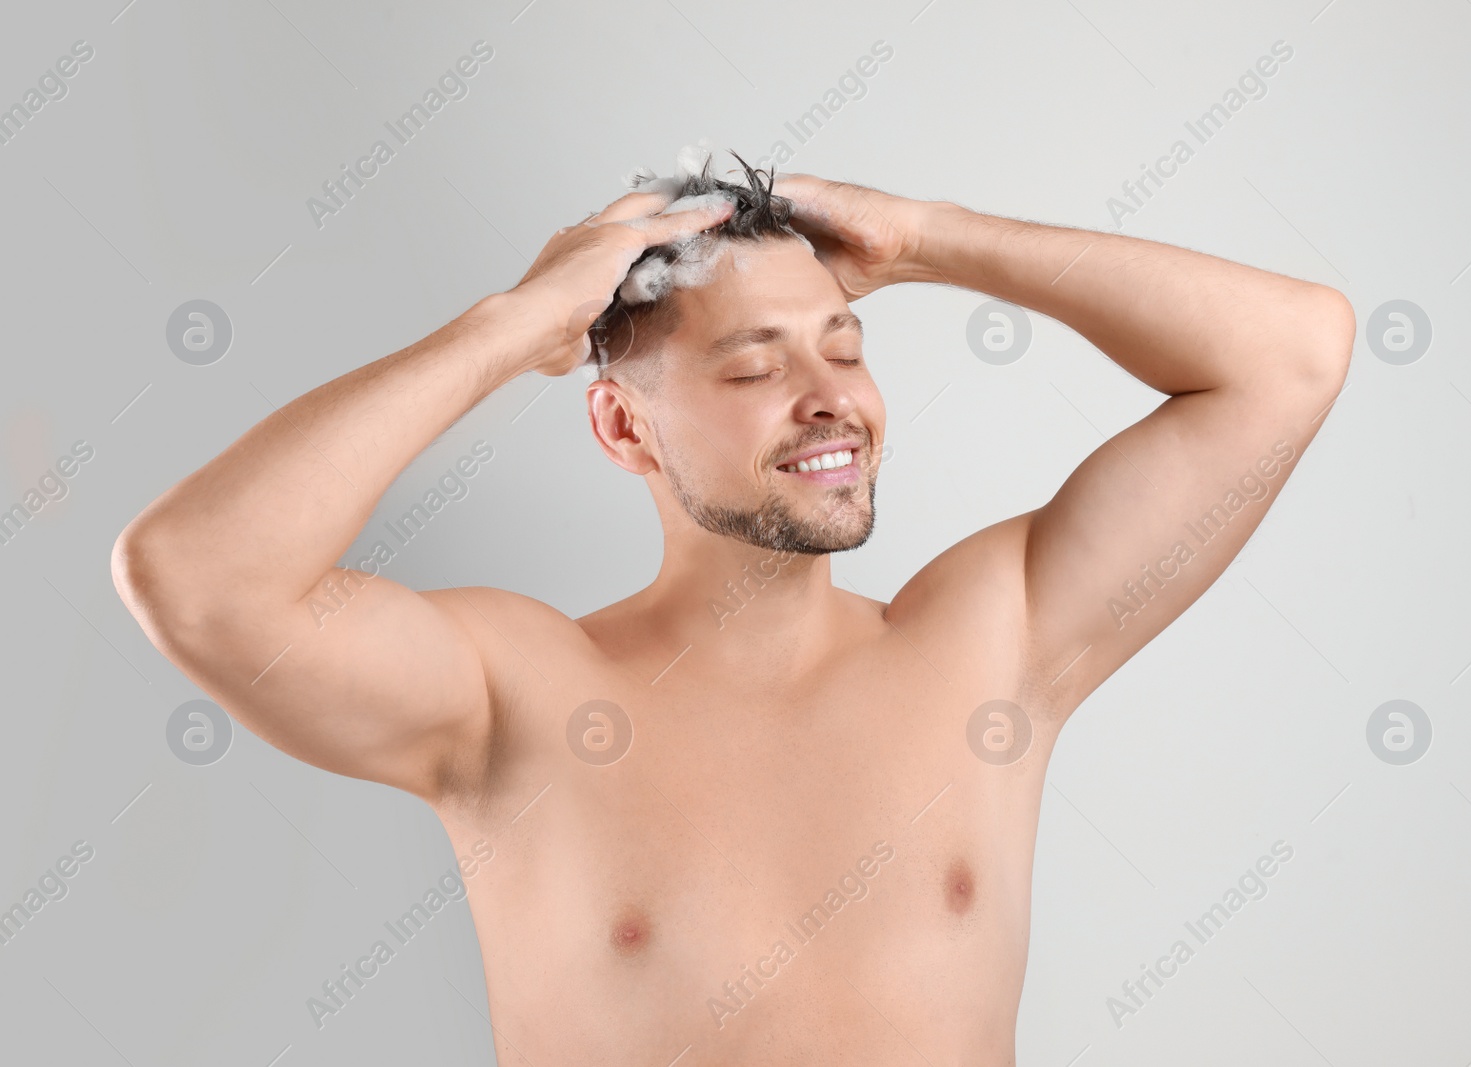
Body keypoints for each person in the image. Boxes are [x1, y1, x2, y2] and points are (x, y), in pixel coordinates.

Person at [111, 145, 1354, 1064]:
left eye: (846, 345)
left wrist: (926, 237)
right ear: (622, 424)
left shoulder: (994, 641)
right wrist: (514, 326)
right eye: (755, 364)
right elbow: (198, 575)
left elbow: (1290, 352)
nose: (830, 397)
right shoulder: (512, 694)